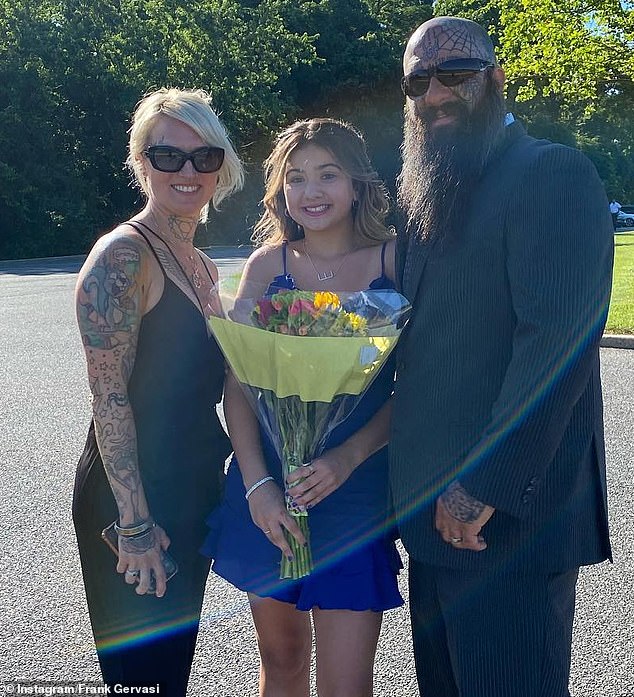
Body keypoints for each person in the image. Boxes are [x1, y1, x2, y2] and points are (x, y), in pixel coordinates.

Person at [391, 16, 614, 697]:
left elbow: (557, 341)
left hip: (505, 523)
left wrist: (481, 484)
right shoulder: (427, 193)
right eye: (419, 80)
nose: (436, 94)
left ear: (496, 77)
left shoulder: (550, 172)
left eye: (455, 73)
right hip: (432, 521)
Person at [202, 118, 403, 697]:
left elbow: (413, 385)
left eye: (327, 175)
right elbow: (239, 384)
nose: (310, 192)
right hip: (268, 492)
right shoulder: (271, 266)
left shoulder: (396, 261)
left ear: (358, 185)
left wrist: (347, 456)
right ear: (281, 190)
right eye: (296, 179)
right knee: (282, 663)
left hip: (353, 491)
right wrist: (258, 486)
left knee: (346, 684)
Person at [72, 87, 244, 695]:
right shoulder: (124, 258)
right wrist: (136, 522)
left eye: (204, 156)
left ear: (221, 165)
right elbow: (109, 399)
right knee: (141, 678)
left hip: (191, 485)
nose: (188, 171)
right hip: (136, 500)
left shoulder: (199, 265)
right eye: (168, 156)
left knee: (171, 671)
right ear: (142, 162)